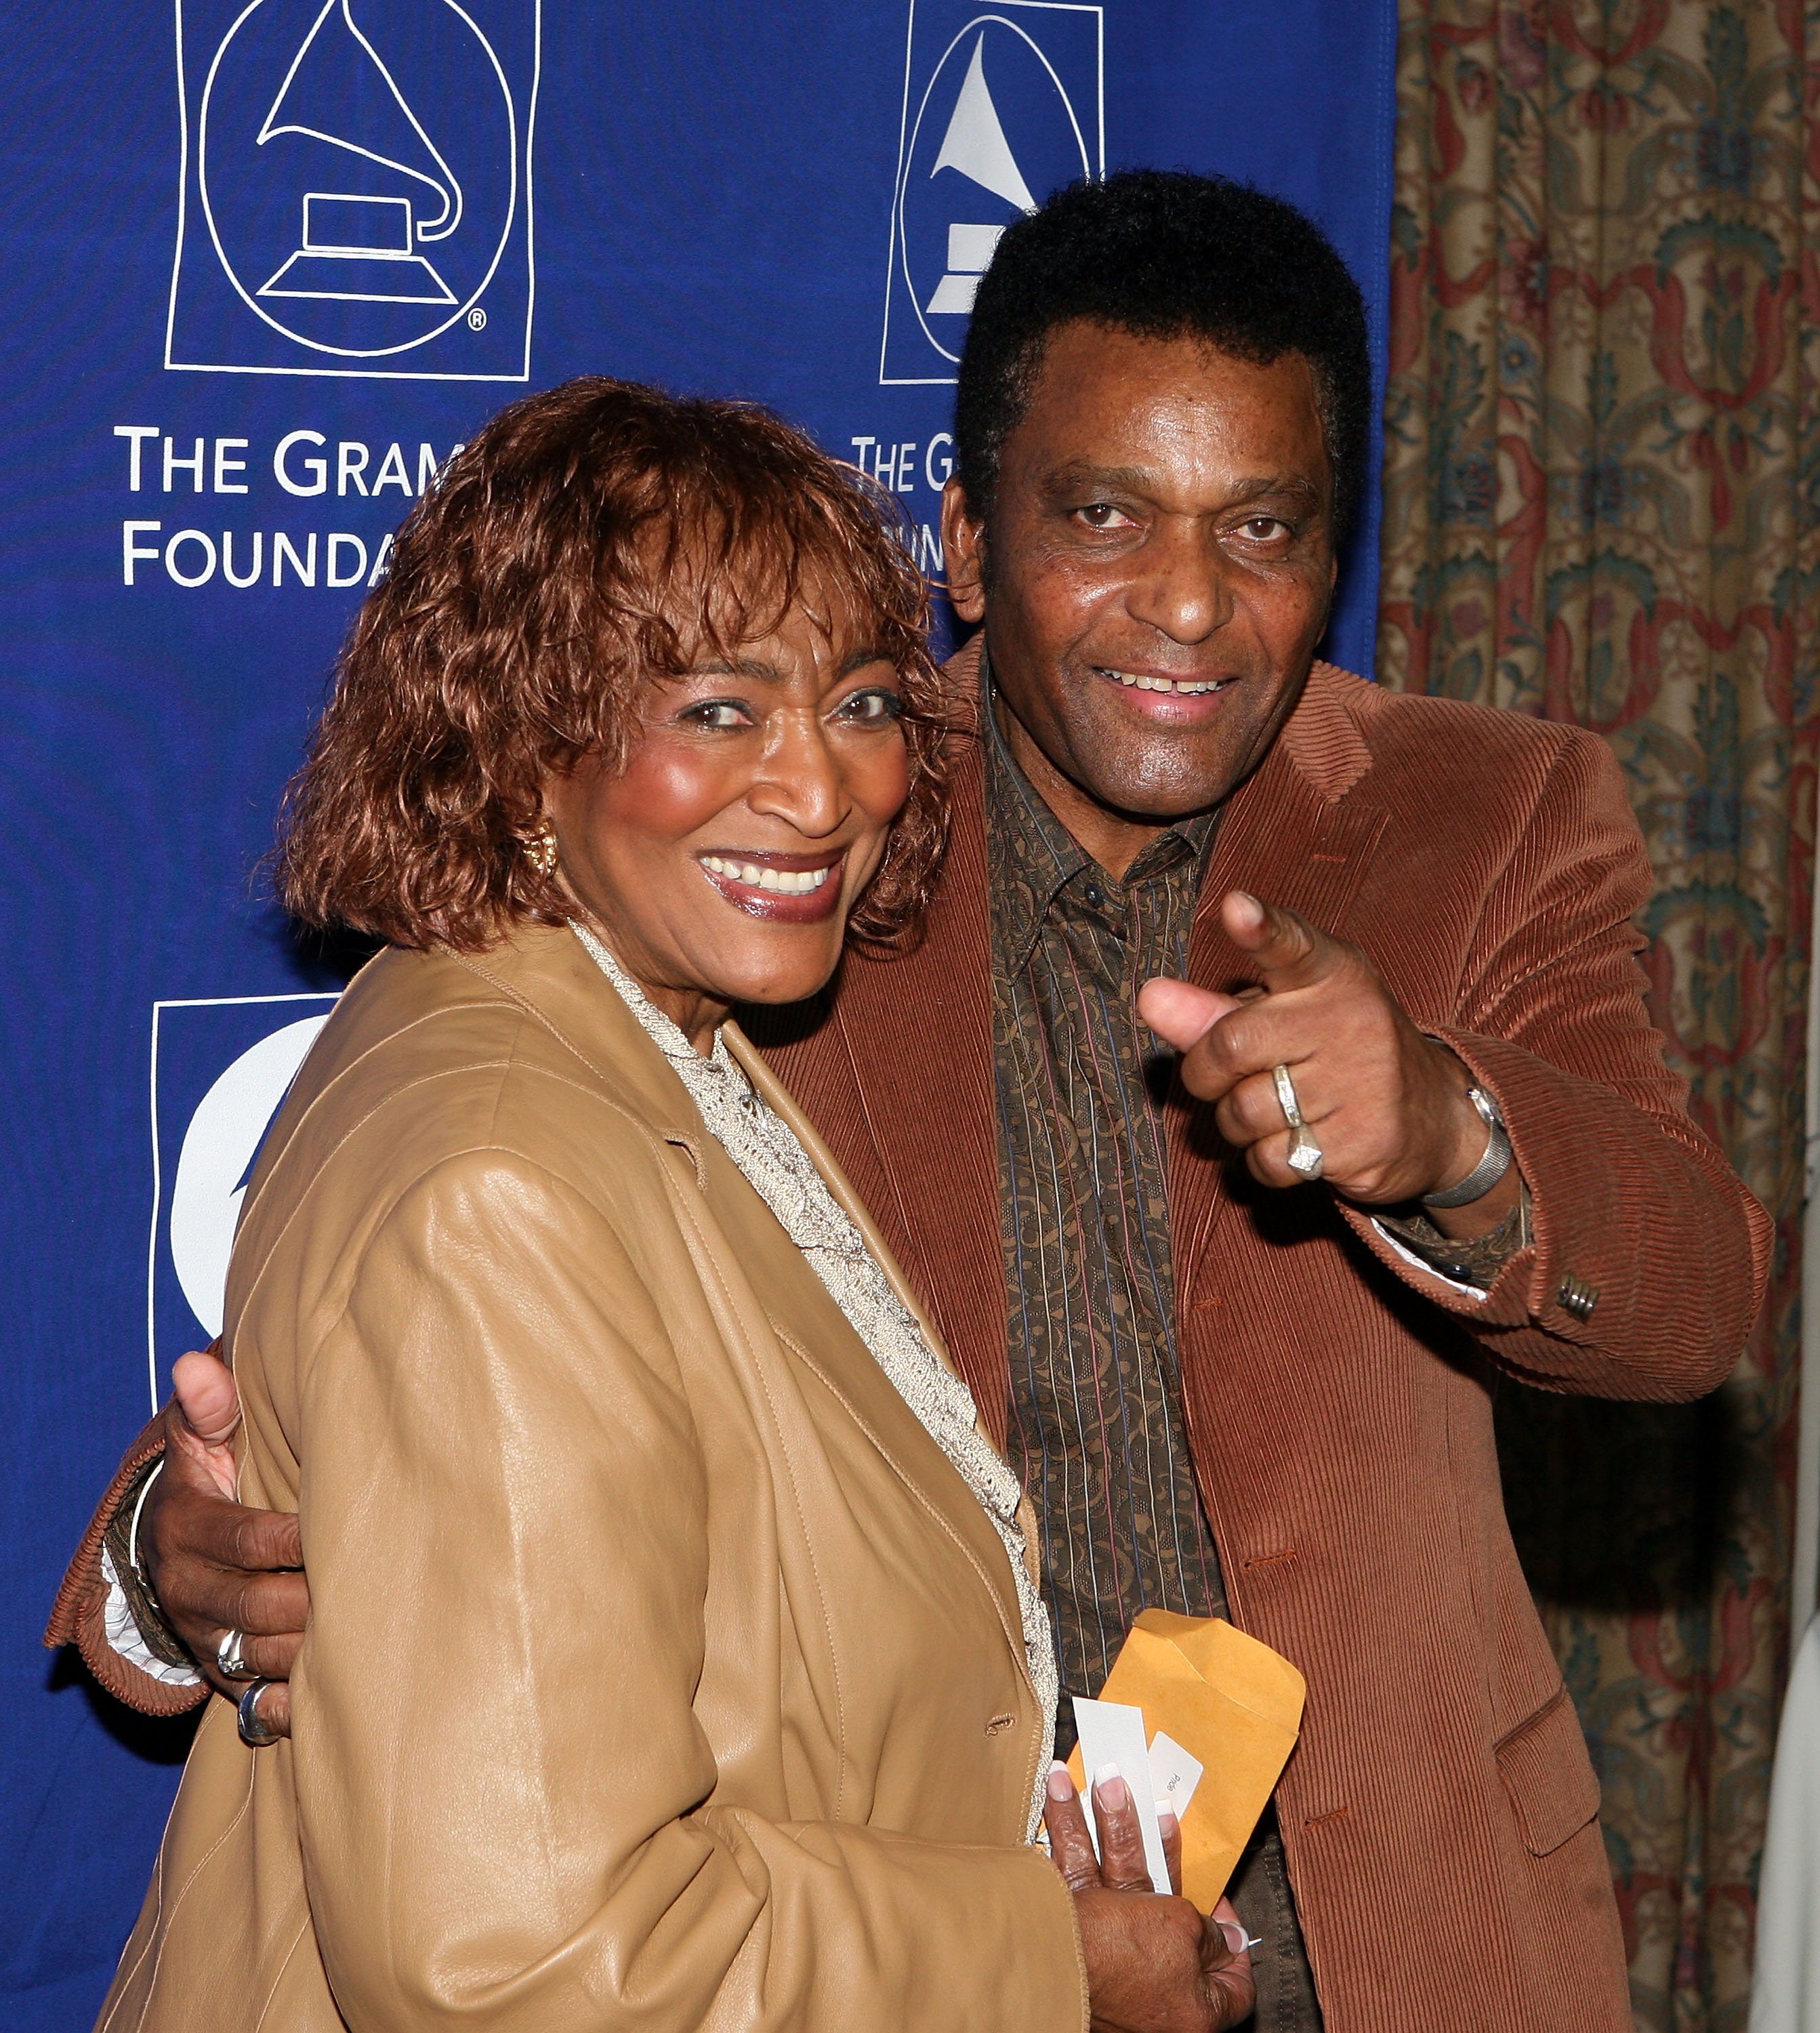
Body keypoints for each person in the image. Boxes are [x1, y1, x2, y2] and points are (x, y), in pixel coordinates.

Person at [54, 177, 1769, 2031]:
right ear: (963, 537)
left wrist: (1450, 1132)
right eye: (1101, 516)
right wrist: (178, 1555)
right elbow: (465, 1282)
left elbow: (1690, 1304)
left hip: (1376, 1929)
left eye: (1261, 528)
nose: (1187, 603)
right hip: (907, 1931)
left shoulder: (1484, 817)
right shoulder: (797, 836)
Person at [68, 377, 1258, 2033]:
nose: (822, 791)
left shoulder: (644, 1014)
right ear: (519, 746)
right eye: (716, 711)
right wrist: (1040, 1958)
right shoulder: (503, 1166)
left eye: (855, 704)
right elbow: (521, 1959)